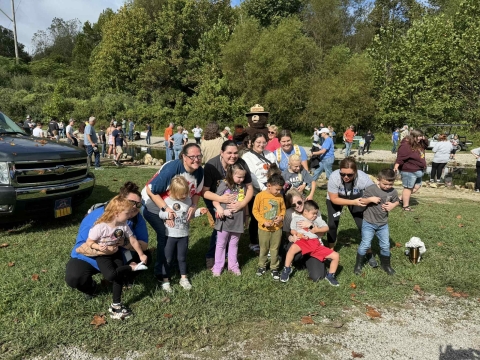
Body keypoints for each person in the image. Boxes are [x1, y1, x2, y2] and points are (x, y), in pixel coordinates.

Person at [65, 182, 150, 301]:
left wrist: (125, 244)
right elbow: (82, 244)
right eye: (131, 203)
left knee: (147, 258)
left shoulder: (135, 219)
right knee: (74, 277)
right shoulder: (97, 217)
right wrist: (102, 250)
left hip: (119, 254)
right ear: (119, 202)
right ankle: (91, 288)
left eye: (139, 204)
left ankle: (122, 285)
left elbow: (144, 245)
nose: (135, 207)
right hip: (93, 256)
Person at [141, 143, 204, 291]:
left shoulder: (199, 171)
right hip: (154, 206)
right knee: (165, 236)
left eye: (199, 156)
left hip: (176, 208)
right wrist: (166, 209)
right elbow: (151, 190)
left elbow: (197, 192)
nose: (196, 159)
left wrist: (194, 206)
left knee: (176, 236)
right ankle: (161, 272)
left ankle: (175, 265)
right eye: (192, 156)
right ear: (183, 156)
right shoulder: (173, 169)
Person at [85, 196, 148, 319]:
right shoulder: (100, 227)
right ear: (116, 213)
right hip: (103, 256)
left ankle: (116, 305)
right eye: (127, 213)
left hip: (116, 253)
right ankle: (131, 268)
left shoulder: (123, 225)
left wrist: (141, 254)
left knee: (118, 277)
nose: (130, 215)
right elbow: (89, 242)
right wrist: (97, 247)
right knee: (110, 276)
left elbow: (133, 240)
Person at [202, 140, 254, 268]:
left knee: (231, 228)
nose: (233, 156)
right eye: (229, 153)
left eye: (235, 153)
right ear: (222, 153)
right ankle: (211, 256)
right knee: (220, 227)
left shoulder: (241, 164)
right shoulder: (211, 165)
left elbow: (250, 188)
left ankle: (229, 256)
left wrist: (242, 204)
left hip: (236, 199)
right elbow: (205, 192)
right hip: (215, 198)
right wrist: (221, 201)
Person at [326, 157, 378, 266]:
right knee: (332, 224)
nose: (345, 177)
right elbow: (334, 199)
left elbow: (375, 192)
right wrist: (353, 202)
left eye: (349, 175)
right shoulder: (334, 177)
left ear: (355, 172)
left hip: (356, 197)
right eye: (343, 174)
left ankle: (368, 252)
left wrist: (367, 200)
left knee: (363, 225)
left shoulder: (363, 178)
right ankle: (330, 250)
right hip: (337, 198)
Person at [159, 176, 207, 290]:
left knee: (182, 257)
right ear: (173, 191)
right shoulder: (167, 201)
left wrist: (199, 211)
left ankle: (184, 278)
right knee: (168, 258)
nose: (184, 196)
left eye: (186, 193)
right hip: (170, 235)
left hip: (183, 235)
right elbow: (160, 214)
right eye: (181, 194)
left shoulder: (188, 201)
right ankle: (165, 280)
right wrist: (167, 216)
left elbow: (189, 216)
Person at [280, 200, 340, 286]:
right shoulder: (297, 219)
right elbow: (292, 230)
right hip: (304, 241)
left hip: (315, 243)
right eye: (313, 213)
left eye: (316, 213)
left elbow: (326, 228)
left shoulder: (316, 220)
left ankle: (330, 275)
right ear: (305, 211)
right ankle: (287, 269)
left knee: (336, 256)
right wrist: (297, 234)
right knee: (292, 248)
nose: (315, 215)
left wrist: (312, 227)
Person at [355, 169, 399, 276]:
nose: (387, 186)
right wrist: (370, 199)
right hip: (369, 222)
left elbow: (397, 201)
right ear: (378, 180)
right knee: (365, 244)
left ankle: (386, 265)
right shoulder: (371, 189)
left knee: (385, 245)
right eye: (385, 184)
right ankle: (358, 265)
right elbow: (362, 201)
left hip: (383, 224)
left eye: (390, 184)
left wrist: (393, 205)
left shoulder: (393, 191)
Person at [281, 189, 328, 281]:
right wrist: (291, 237)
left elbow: (322, 232)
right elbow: (287, 232)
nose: (297, 206)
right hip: (299, 242)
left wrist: (310, 226)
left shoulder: (314, 211)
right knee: (291, 250)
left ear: (303, 199)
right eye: (293, 204)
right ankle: (290, 266)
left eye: (299, 202)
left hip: (314, 244)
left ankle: (308, 262)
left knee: (318, 276)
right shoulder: (289, 213)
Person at [242, 133, 278, 250]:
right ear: (252, 142)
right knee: (256, 216)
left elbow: (275, 170)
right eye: (258, 142)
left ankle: (270, 238)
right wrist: (264, 189)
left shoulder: (269, 154)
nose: (261, 145)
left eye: (263, 142)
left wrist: (273, 188)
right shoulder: (247, 157)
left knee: (271, 213)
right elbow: (251, 176)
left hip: (272, 190)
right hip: (256, 192)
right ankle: (253, 241)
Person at [212, 163, 248, 276]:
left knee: (234, 243)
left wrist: (246, 217)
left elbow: (245, 204)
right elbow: (215, 199)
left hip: (238, 221)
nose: (241, 179)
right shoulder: (224, 184)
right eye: (239, 177)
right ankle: (218, 266)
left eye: (243, 177)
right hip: (224, 221)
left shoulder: (243, 186)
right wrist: (219, 209)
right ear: (231, 174)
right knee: (221, 244)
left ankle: (233, 266)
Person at [252, 174, 286, 280]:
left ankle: (274, 267)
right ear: (269, 185)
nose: (278, 192)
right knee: (264, 248)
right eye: (276, 189)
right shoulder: (260, 196)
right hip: (264, 229)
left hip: (277, 228)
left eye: (280, 190)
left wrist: (281, 217)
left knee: (275, 248)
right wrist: (263, 221)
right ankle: (261, 266)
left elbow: (283, 209)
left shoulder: (280, 197)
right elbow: (255, 210)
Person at [393, 129, 428, 211]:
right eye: (418, 137)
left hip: (418, 170)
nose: (420, 138)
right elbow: (400, 158)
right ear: (413, 137)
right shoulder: (406, 145)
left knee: (417, 186)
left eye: (421, 136)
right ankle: (405, 206)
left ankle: (399, 199)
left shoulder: (419, 143)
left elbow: (426, 144)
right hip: (409, 170)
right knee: (408, 188)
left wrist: (423, 138)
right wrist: (395, 167)